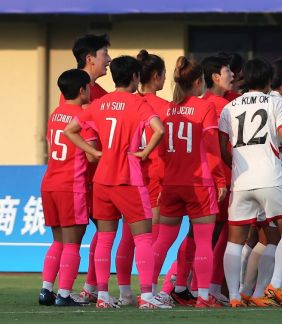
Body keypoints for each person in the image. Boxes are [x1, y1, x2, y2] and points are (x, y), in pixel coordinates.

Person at [64, 55, 168, 309]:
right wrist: (144, 153)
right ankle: (146, 296)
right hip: (129, 178)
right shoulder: (138, 103)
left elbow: (70, 131)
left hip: (102, 180)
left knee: (105, 238)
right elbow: (160, 129)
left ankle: (102, 296)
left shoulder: (99, 104)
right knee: (143, 238)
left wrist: (98, 154)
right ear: (134, 77)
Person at [220, 58, 282, 307]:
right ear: (267, 80)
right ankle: (275, 285)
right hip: (270, 177)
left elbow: (223, 148)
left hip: (241, 181)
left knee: (235, 240)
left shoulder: (229, 107)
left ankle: (233, 296)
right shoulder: (275, 103)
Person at [152, 57, 227, 308]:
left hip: (172, 183)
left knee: (162, 241)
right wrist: (219, 180)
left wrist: (163, 183)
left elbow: (160, 152)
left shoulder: (166, 110)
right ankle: (203, 297)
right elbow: (212, 149)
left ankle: (148, 293)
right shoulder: (204, 107)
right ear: (197, 82)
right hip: (198, 184)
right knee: (204, 241)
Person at [111, 50, 171, 306]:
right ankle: (149, 290)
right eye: (164, 75)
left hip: (130, 175)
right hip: (156, 175)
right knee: (152, 238)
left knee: (127, 236)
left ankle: (124, 292)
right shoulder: (165, 108)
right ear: (156, 76)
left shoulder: (125, 102)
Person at [39, 69, 96, 307]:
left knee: (58, 241)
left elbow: (52, 145)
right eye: (89, 87)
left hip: (50, 182)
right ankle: (64, 294)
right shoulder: (84, 117)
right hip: (71, 185)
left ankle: (46, 290)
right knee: (73, 243)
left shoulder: (56, 114)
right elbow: (92, 156)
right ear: (82, 90)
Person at [62, 34, 111, 303]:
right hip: (83, 176)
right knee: (81, 235)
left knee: (102, 230)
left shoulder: (101, 94)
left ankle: (89, 287)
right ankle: (72, 290)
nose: (109, 60)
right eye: (105, 54)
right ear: (90, 58)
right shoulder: (74, 92)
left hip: (97, 173)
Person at [201, 55, 235, 303]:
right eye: (227, 71)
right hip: (219, 177)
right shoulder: (216, 105)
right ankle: (196, 286)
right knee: (210, 235)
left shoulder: (215, 102)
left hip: (214, 176)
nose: (232, 75)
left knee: (209, 235)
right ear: (215, 77)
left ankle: (187, 285)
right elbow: (217, 147)